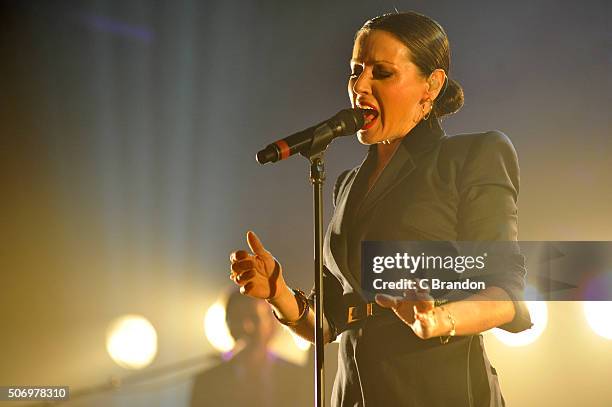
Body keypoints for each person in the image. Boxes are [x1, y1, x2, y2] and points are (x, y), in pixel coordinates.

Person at [230, 11, 532, 407]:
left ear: (431, 86)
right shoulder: (346, 184)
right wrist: (279, 293)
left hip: (439, 388)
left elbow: (506, 289)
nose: (360, 85)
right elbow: (331, 319)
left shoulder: (472, 156)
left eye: (382, 72)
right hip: (356, 393)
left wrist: (438, 320)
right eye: (356, 70)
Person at [190, 289, 310, 407]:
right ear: (227, 324)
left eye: (254, 318)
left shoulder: (299, 379)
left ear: (271, 325)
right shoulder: (207, 383)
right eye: (237, 319)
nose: (246, 327)